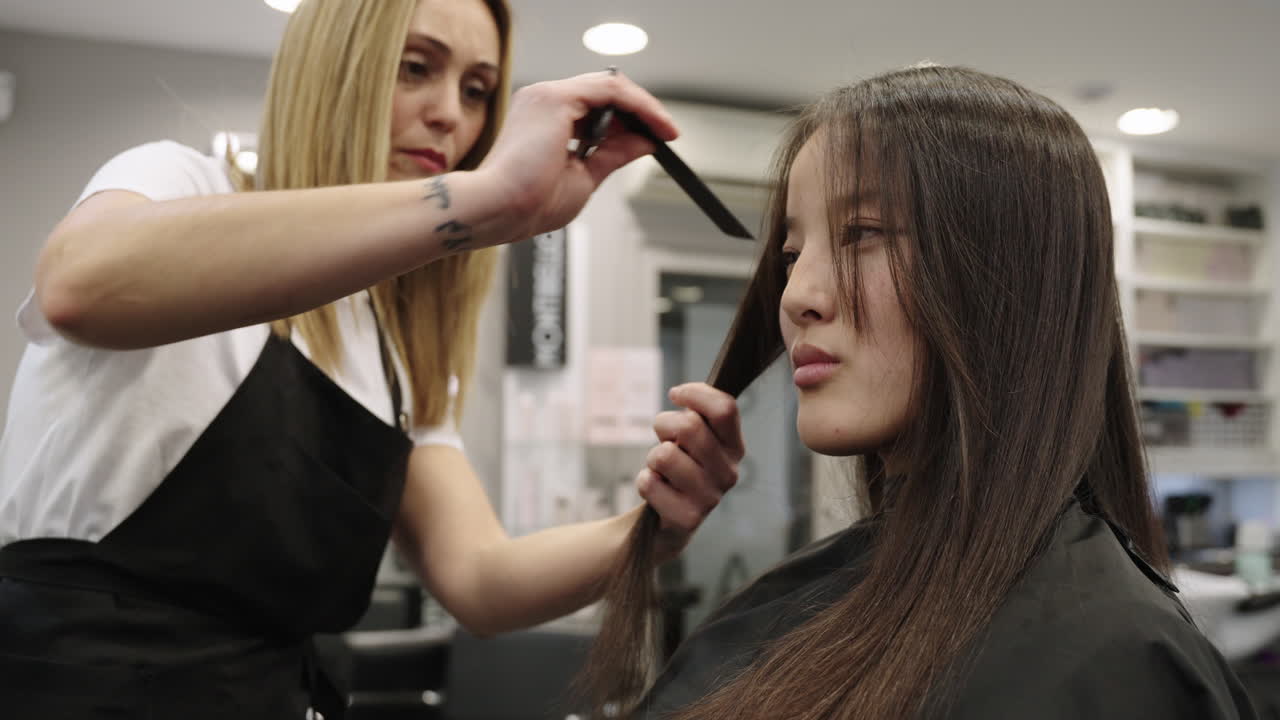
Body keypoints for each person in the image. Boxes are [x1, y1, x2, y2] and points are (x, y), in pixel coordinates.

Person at [0, 0, 743, 717]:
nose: (451, 113)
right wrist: (480, 202)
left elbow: (481, 580)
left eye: (477, 89)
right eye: (416, 67)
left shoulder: (394, 352)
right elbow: (78, 286)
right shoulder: (181, 183)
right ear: (335, 69)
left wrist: (650, 531)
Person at [583, 64, 1257, 719]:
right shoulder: (813, 599)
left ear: (1010, 279)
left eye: (864, 234)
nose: (798, 297)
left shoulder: (1111, 656)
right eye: (792, 256)